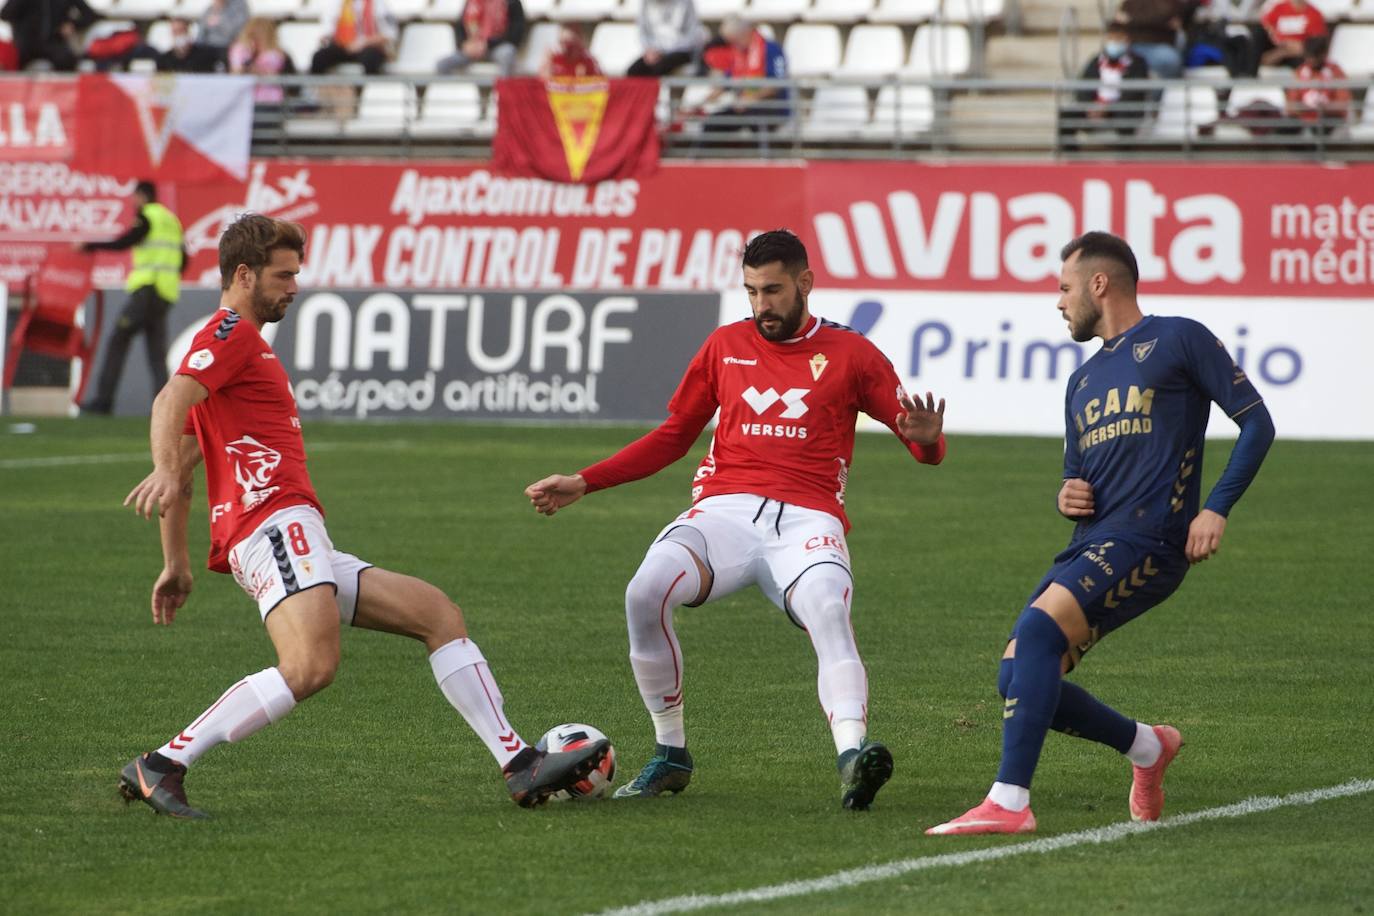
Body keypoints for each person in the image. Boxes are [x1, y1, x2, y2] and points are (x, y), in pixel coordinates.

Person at [118, 214, 609, 820]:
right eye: (283, 275)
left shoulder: (241, 351)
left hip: (291, 532)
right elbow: (172, 401)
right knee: (310, 666)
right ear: (243, 275)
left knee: (436, 614)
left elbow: (188, 461)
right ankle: (164, 763)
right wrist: (164, 469)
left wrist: (177, 562)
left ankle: (519, 763)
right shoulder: (230, 332)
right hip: (274, 526)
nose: (295, 287)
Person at [524, 229, 947, 809]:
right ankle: (671, 754)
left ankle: (853, 756)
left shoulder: (854, 355)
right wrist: (585, 480)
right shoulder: (725, 346)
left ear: (805, 284)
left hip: (807, 519)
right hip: (722, 512)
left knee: (828, 610)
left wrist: (926, 441)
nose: (761, 305)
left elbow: (920, 442)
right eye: (750, 291)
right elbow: (674, 436)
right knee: (644, 592)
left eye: (773, 290)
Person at [927, 231, 1274, 837]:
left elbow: (1257, 423)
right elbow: (1075, 478)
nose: (1059, 303)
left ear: (1099, 283)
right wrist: (1068, 494)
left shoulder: (1178, 338)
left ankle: (1009, 801)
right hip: (1092, 541)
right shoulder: (1081, 383)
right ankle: (1146, 747)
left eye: (1063, 288)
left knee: (1036, 633)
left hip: (1152, 541)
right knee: (1017, 675)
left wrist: (1215, 508)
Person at [78, 181, 184, 416]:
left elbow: (125, 241)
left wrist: (90, 245)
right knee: (157, 354)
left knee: (118, 339)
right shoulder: (172, 221)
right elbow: (184, 259)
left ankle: (103, 402)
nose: (132, 202)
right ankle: (165, 410)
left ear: (142, 196)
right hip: (165, 293)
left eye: (134, 197)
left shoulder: (148, 217)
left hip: (147, 290)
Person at [1060, 23, 1150, 150]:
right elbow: (1083, 87)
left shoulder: (1138, 63)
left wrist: (1109, 107)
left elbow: (1135, 92)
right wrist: (1090, 106)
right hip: (1094, 107)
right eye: (1111, 38)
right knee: (1067, 114)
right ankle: (1070, 154)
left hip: (1121, 108)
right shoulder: (1095, 61)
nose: (1114, 43)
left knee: (1126, 116)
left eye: (1118, 38)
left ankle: (1124, 155)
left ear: (1127, 40)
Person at [699, 15, 790, 138]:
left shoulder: (771, 49)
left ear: (745, 34)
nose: (733, 45)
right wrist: (702, 103)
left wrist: (751, 99)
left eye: (734, 40)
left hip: (770, 106)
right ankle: (711, 156)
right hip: (744, 106)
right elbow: (727, 82)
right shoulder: (738, 54)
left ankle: (762, 155)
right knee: (713, 122)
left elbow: (776, 84)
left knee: (754, 119)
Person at [0, 0, 97, 71]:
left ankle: (62, 95)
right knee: (11, 62)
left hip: (54, 42)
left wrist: (73, 24)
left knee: (68, 60)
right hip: (26, 44)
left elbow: (90, 15)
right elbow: (5, 14)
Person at [436, 0, 524, 77]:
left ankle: (504, 91)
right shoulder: (472, 2)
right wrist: (464, 44)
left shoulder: (512, 2)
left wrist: (487, 44)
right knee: (442, 65)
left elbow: (515, 34)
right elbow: (460, 26)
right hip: (473, 48)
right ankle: (458, 92)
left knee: (507, 53)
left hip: (497, 48)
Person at [158, 0, 247, 72]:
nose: (178, 34)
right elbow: (202, 32)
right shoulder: (209, 10)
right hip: (208, 47)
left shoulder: (239, 6)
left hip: (226, 48)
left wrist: (220, 19)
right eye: (175, 32)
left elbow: (238, 30)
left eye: (181, 31)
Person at [1285, 36, 1350, 134]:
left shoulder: (1336, 72)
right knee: (1286, 128)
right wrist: (1304, 109)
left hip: (1328, 118)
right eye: (1308, 56)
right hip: (1305, 118)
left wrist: (1322, 108)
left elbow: (1341, 104)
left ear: (1323, 54)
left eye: (1315, 56)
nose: (1311, 60)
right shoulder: (1300, 72)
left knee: (1318, 129)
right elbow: (1292, 103)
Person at [311, 0, 396, 76]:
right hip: (343, 46)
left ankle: (365, 91)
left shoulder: (378, 3)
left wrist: (363, 43)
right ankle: (313, 89)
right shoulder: (338, 4)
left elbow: (388, 34)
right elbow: (328, 32)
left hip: (368, 47)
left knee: (370, 59)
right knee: (319, 57)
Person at [628, 0, 704, 77]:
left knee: (657, 69)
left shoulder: (685, 3)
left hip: (681, 51)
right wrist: (650, 50)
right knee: (633, 72)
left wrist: (665, 51)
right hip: (655, 53)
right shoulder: (646, 3)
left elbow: (692, 36)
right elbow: (643, 32)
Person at [229, 17, 294, 107]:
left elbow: (273, 76)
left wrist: (255, 69)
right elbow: (236, 72)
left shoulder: (275, 53)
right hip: (245, 100)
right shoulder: (241, 49)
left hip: (270, 99)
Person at [1117, 0, 1187, 77]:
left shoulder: (1169, 3)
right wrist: (1159, 22)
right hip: (1134, 45)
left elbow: (1172, 19)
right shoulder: (1130, 2)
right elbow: (1119, 22)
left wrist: (1132, 20)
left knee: (1171, 60)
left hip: (1161, 45)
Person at [1259, 0, 1327, 68]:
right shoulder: (1278, 8)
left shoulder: (1314, 14)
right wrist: (1278, 40)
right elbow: (1267, 26)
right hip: (1279, 47)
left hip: (1300, 53)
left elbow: (1318, 41)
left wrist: (1297, 47)